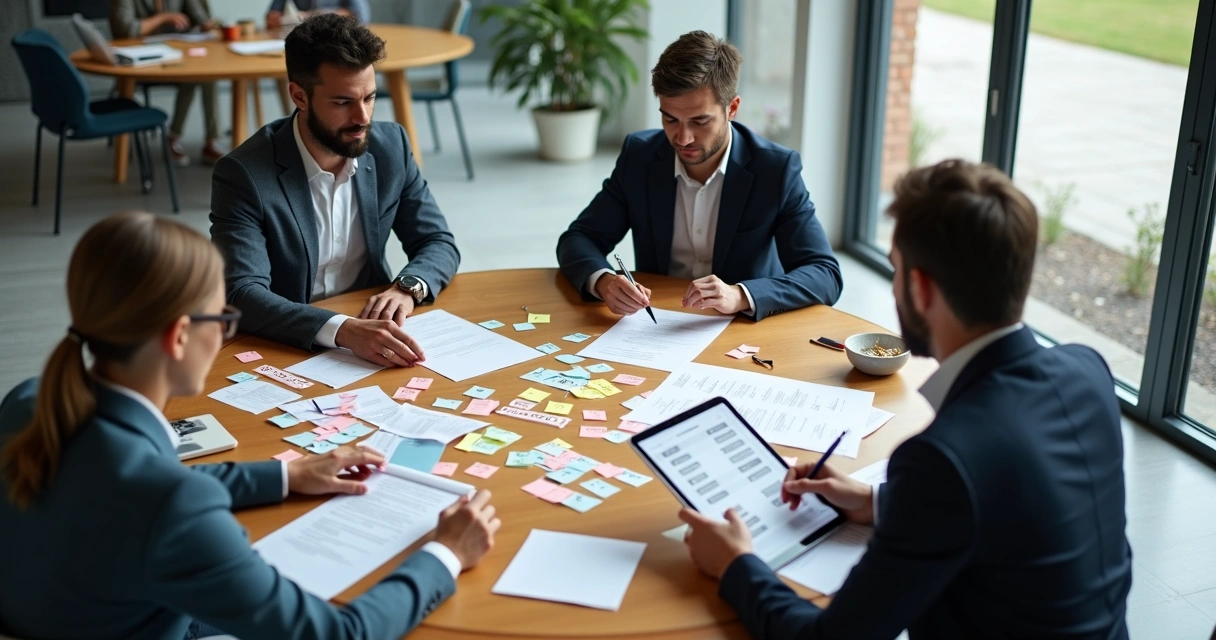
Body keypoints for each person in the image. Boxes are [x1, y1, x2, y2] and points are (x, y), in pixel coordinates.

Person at [679, 160, 1132, 639]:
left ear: (920, 288)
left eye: (896, 271)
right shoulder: (1088, 370)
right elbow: (1008, 506)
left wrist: (736, 564)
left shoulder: (941, 460)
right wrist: (878, 502)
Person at [0, 212, 500, 640]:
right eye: (221, 318)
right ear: (179, 336)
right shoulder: (171, 506)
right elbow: (338, 634)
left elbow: (133, 484)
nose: (225, 332)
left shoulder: (27, 403)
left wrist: (285, 475)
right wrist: (445, 554)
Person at [210, 14, 460, 366]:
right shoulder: (243, 173)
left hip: (373, 332)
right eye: (343, 103)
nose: (363, 118)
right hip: (288, 339)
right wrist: (342, 329)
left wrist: (407, 288)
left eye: (369, 98)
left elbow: (437, 241)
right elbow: (241, 292)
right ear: (299, 96)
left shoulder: (391, 147)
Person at [556, 31, 841, 321]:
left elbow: (824, 273)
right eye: (670, 119)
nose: (683, 138)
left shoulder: (775, 170)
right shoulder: (640, 157)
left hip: (741, 326)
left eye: (700, 121)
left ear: (732, 108)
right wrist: (604, 281)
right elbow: (579, 238)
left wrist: (741, 294)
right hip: (657, 322)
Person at [109, 0, 225, 165]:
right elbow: (126, 29)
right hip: (139, 64)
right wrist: (164, 18)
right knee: (192, 77)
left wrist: (208, 24)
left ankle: (207, 142)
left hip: (175, 58)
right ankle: (171, 140)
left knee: (206, 75)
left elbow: (199, 17)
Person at [266, 0, 371, 30]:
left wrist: (312, 15)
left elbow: (361, 16)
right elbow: (271, 17)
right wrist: (275, 20)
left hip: (338, 41)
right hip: (305, 41)